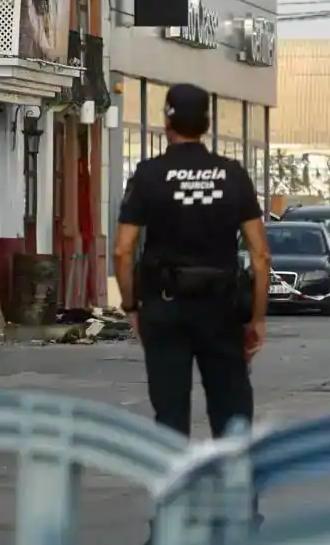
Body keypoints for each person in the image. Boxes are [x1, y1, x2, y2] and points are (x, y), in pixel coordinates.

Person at [114, 83, 270, 439]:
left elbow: (123, 250)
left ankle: (177, 491)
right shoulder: (233, 175)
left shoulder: (149, 175)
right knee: (231, 410)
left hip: (165, 307)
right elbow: (260, 256)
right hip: (221, 308)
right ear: (207, 123)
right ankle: (235, 490)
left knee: (169, 413)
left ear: (167, 121)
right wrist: (257, 318)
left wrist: (131, 306)